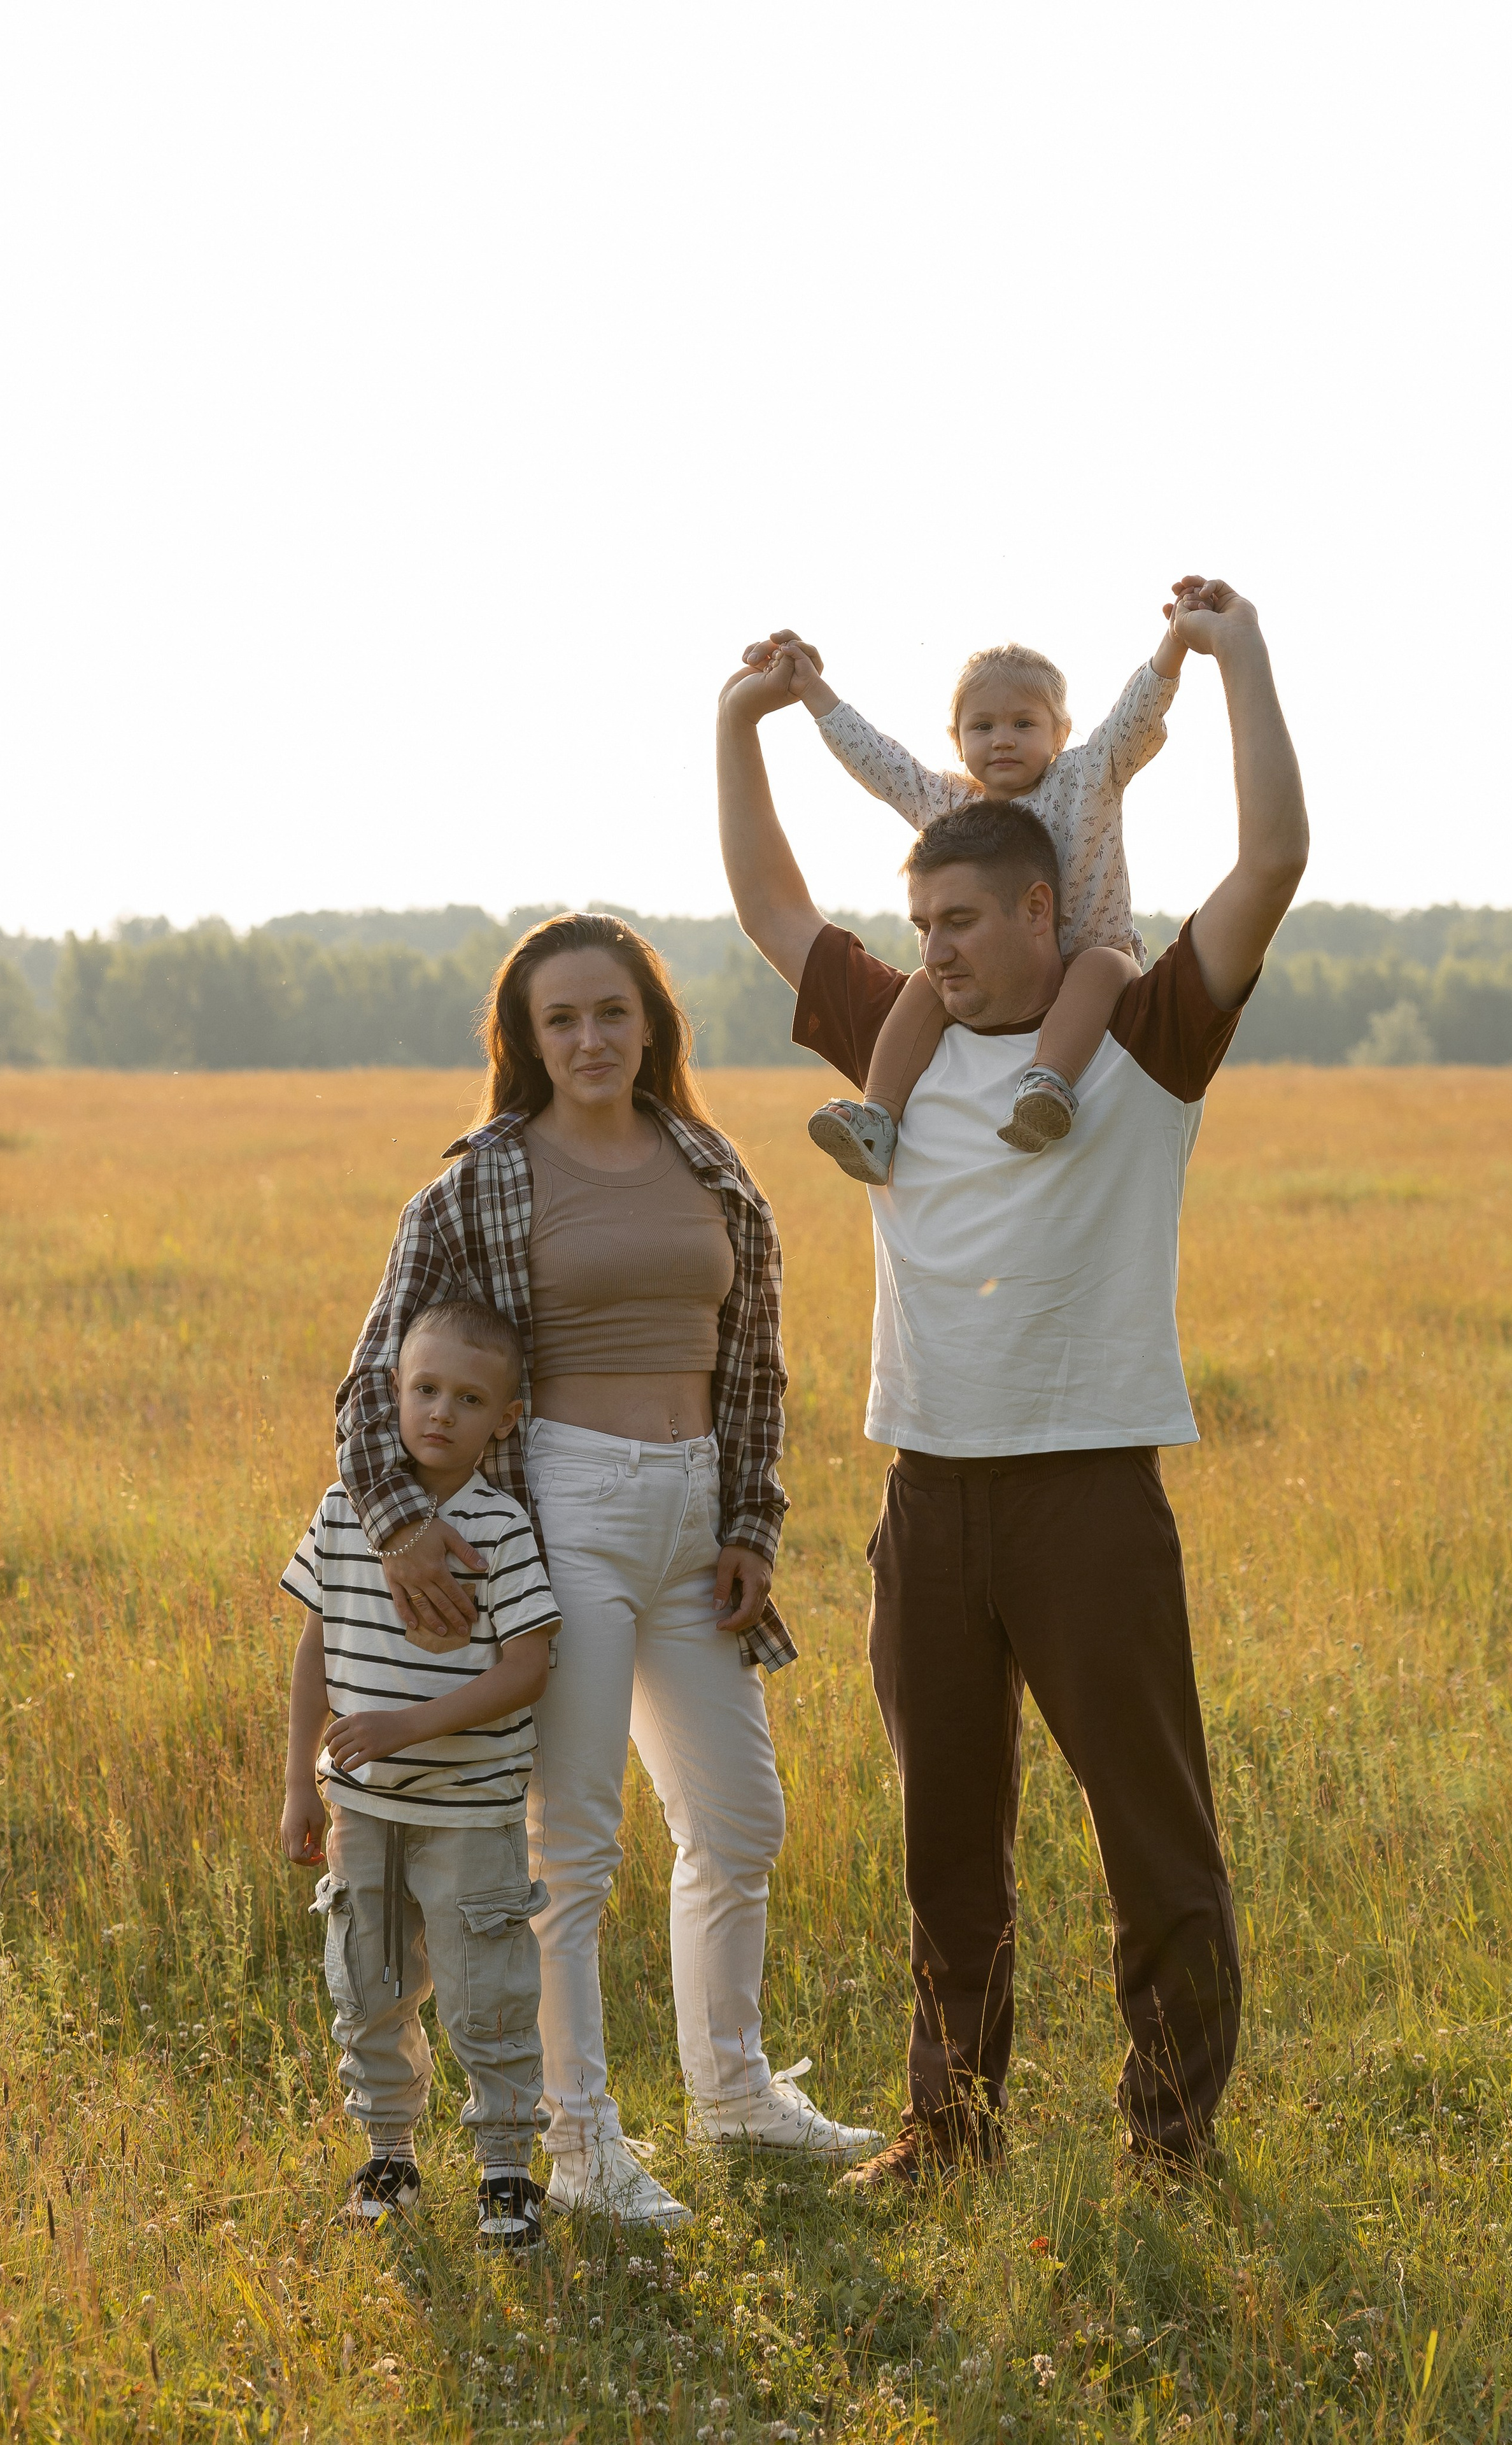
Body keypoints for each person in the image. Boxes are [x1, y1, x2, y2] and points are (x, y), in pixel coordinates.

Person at [717, 577, 1308, 2185]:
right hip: (927, 1498)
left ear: (1046, 915)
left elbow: (1266, 865)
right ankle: (947, 2132)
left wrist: (1237, 660)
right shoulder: (894, 1057)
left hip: (1087, 1494)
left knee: (1152, 1837)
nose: (936, 954)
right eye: (920, 931)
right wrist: (737, 729)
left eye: (961, 925)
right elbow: (774, 911)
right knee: (944, 1853)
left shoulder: (1142, 1042)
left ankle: (1168, 2141)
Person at [334, 911, 879, 2229]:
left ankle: (731, 2090)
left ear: (652, 1025)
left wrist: (751, 1523)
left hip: (695, 1517)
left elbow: (753, 1363)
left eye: (610, 1013)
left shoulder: (711, 1163)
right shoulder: (477, 1184)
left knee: (739, 1822)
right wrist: (407, 1527)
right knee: (572, 1848)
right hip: (563, 1509)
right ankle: (575, 2145)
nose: (589, 1038)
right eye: (559, 1019)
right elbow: (371, 1380)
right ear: (526, 1041)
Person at [279, 1296, 557, 2248]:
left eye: (469, 1398)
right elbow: (314, 1651)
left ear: (504, 1419)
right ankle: (389, 2154)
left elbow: (528, 1668)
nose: (441, 1412)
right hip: (361, 1814)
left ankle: (508, 2172)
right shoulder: (346, 1513)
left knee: (489, 1992)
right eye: (425, 1388)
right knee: (369, 1982)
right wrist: (294, 1789)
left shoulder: (502, 1528)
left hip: (471, 1813)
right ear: (390, 1393)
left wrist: (404, 1727)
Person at [740, 604, 1187, 1180]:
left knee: (1100, 964)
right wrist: (811, 690)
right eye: (983, 727)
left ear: (1061, 733)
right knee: (926, 982)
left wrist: (1174, 640)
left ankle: (1046, 1085)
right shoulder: (952, 806)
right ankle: (878, 1116)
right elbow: (882, 765)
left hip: (1094, 969)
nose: (1003, 741)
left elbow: (1136, 714)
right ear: (957, 740)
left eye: (1024, 724)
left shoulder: (1088, 779)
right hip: (997, 977)